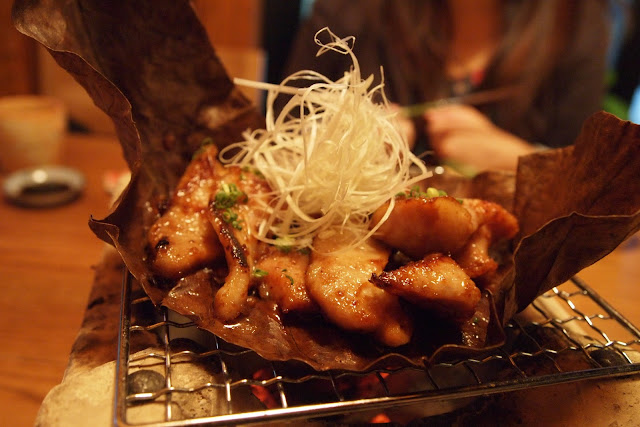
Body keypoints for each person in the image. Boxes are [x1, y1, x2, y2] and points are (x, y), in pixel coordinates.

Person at [279, 0, 611, 172]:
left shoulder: (576, 24)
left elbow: (588, 181)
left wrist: (520, 161)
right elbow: (281, 135)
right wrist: (347, 141)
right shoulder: (350, 11)